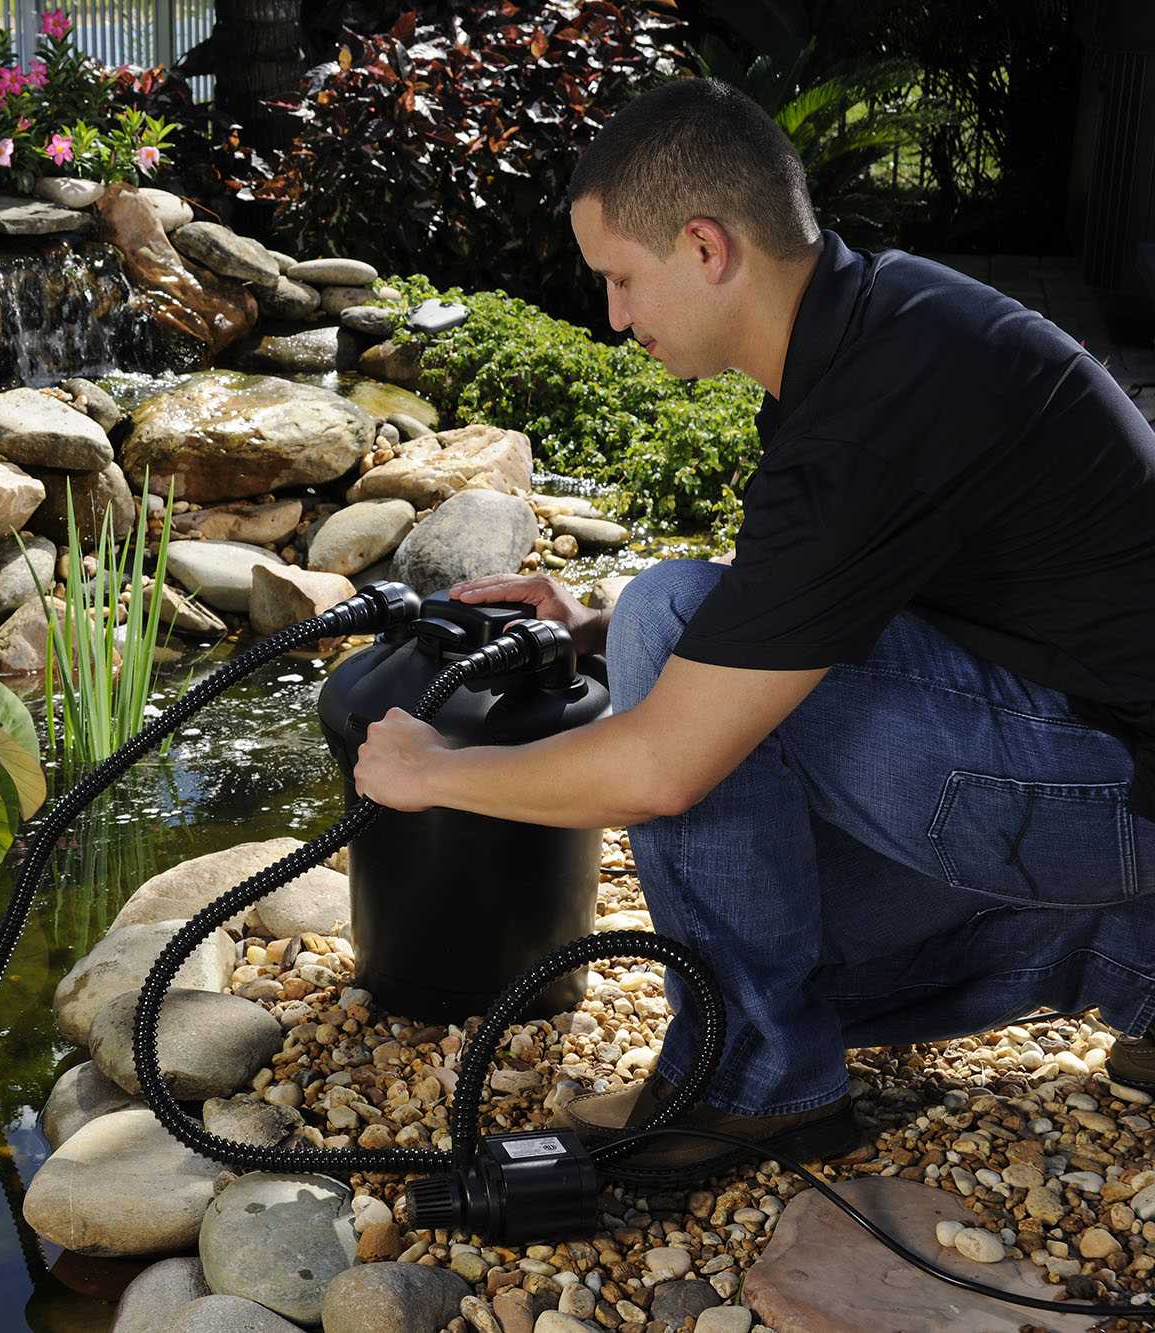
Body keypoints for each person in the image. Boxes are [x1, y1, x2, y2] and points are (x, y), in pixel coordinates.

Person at [349, 76, 1155, 1186]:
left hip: (1107, 793)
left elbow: (665, 770)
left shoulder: (863, 408)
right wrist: (587, 631)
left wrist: (436, 770)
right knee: (774, 933)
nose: (615, 317)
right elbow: (814, 591)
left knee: (670, 612)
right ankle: (1132, 963)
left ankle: (752, 1084)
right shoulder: (884, 331)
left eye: (621, 280)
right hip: (1114, 798)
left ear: (704, 247)